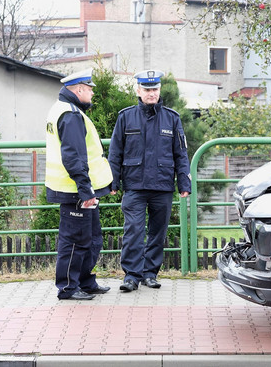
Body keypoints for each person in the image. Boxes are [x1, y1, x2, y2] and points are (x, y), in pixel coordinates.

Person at [108, 69, 191, 292]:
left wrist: (184, 183)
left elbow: (181, 153)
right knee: (133, 230)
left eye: (155, 89)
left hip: (162, 186)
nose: (151, 93)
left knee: (158, 231)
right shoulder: (126, 117)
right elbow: (115, 152)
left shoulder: (172, 118)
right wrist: (113, 182)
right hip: (134, 185)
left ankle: (150, 273)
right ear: (138, 90)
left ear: (159, 90)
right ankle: (131, 276)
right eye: (147, 89)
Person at [45, 68, 113, 300]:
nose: (93, 93)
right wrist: (85, 190)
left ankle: (85, 282)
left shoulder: (65, 109)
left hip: (78, 189)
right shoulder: (71, 114)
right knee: (75, 241)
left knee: (91, 239)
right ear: (80, 89)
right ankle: (68, 288)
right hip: (74, 190)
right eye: (90, 89)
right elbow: (74, 157)